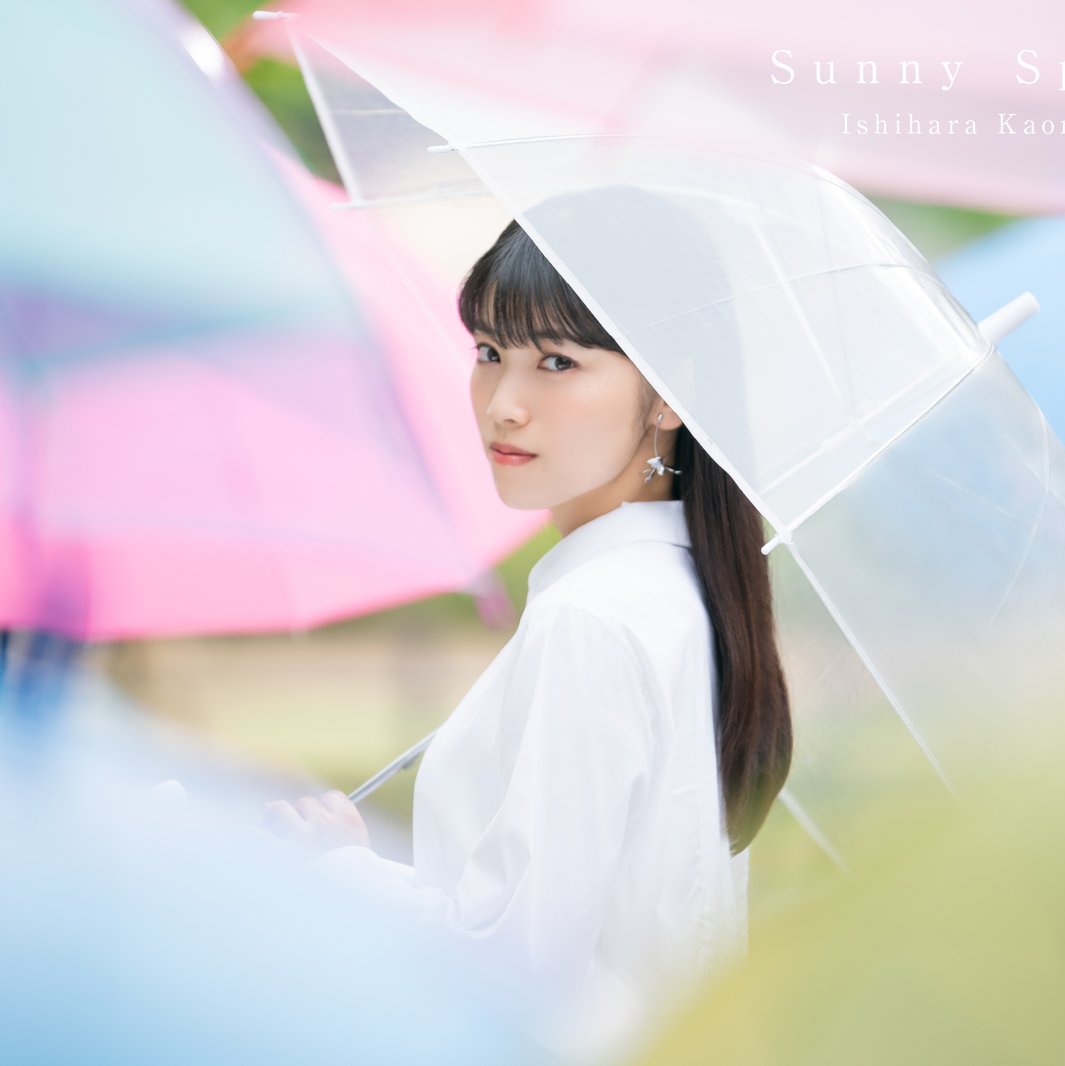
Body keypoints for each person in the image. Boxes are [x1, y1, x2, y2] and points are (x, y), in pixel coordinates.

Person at [261, 204, 794, 1061]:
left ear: (670, 394)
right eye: (488, 353)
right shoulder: (679, 595)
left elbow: (515, 962)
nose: (503, 406)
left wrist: (337, 869)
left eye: (556, 362)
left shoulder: (595, 618)